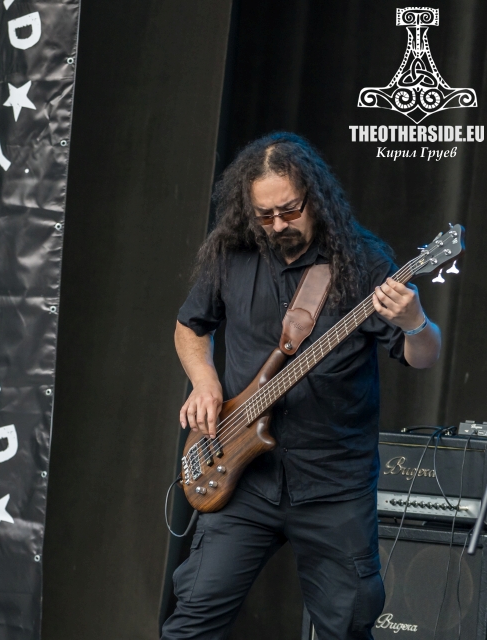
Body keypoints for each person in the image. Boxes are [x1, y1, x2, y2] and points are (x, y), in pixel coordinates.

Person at [162, 132, 441, 639]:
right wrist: (204, 382)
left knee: (346, 627)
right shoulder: (233, 253)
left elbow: (421, 356)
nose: (277, 226)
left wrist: (416, 322)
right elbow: (190, 326)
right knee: (191, 622)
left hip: (334, 484)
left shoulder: (362, 261)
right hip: (242, 474)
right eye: (264, 215)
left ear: (315, 197)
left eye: (289, 211)